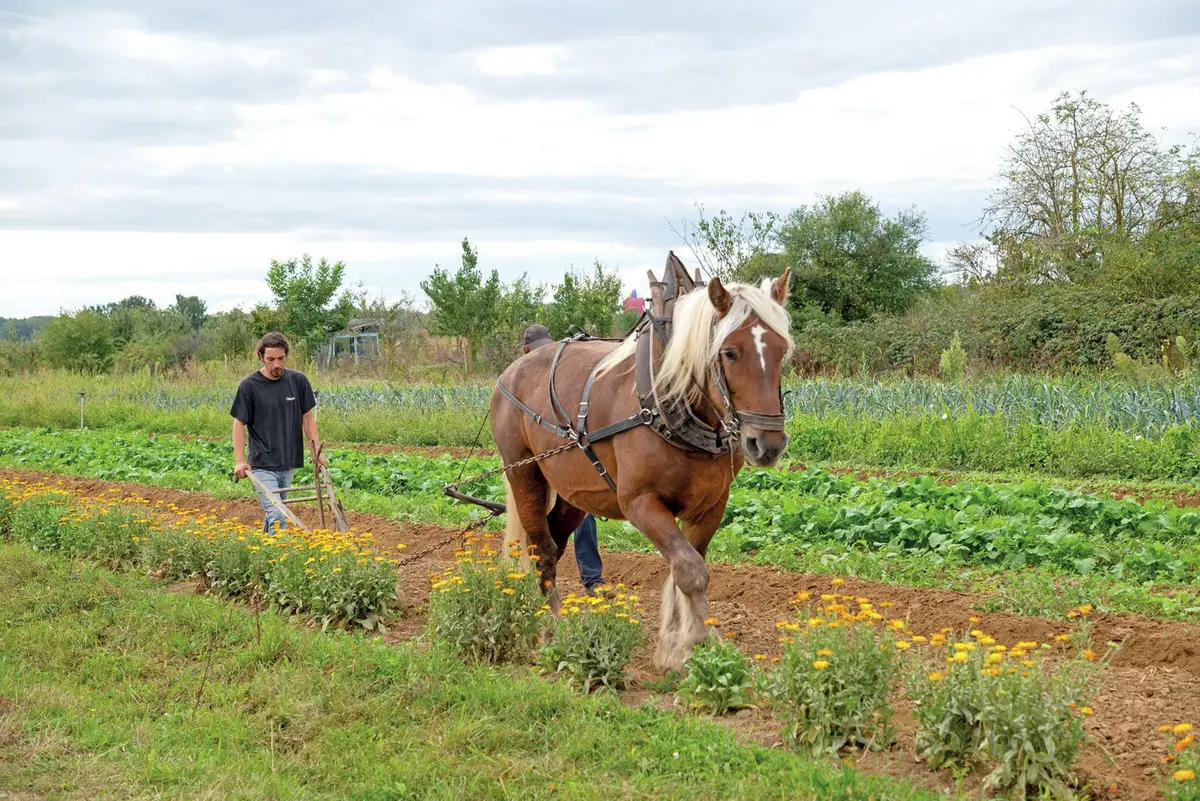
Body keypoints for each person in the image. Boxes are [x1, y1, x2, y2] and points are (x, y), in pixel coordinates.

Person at [521, 324, 609, 595]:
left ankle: (592, 577)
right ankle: (590, 579)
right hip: (541, 454)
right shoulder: (523, 379)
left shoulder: (560, 370)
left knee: (582, 512)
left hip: (567, 453)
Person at [230, 332, 326, 533]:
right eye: (270, 359)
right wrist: (239, 460)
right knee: (277, 513)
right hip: (262, 462)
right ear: (261, 357)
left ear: (286, 356)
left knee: (277, 510)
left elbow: (307, 418)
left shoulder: (298, 381)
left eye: (280, 359)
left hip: (288, 460)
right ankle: (280, 557)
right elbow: (239, 424)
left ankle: (266, 552)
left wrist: (317, 452)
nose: (276, 365)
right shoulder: (249, 386)